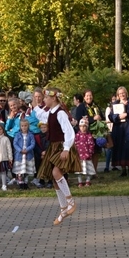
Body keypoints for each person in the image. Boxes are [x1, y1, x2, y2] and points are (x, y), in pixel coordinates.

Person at [35, 88, 80, 226]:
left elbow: (69, 132)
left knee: (56, 172)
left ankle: (70, 201)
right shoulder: (50, 112)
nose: (44, 100)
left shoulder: (60, 113)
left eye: (46, 98)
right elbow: (40, 115)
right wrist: (35, 103)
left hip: (61, 146)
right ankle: (63, 209)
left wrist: (66, 149)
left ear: (53, 98)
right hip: (53, 146)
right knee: (54, 179)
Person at [109, 86, 129, 177]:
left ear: (126, 94)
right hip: (119, 129)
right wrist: (118, 117)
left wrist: (126, 113)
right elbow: (111, 116)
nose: (122, 95)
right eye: (120, 93)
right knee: (120, 148)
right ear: (118, 95)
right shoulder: (115, 104)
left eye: (123, 93)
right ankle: (123, 170)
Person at [12, 117, 35, 189]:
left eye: (25, 125)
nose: (24, 127)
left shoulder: (31, 135)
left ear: (28, 126)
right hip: (20, 155)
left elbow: (33, 143)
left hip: (28, 155)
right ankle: (20, 183)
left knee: (26, 170)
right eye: (22, 126)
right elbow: (15, 143)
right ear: (20, 127)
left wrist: (27, 149)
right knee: (20, 170)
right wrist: (20, 150)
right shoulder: (18, 135)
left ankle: (25, 183)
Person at [75, 117, 96, 187]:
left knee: (88, 169)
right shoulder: (77, 135)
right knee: (79, 170)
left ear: (87, 127)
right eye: (81, 126)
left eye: (84, 126)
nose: (82, 128)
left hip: (87, 156)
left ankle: (88, 181)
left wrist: (90, 153)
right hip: (79, 156)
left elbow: (91, 145)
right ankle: (80, 182)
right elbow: (75, 144)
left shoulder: (89, 136)